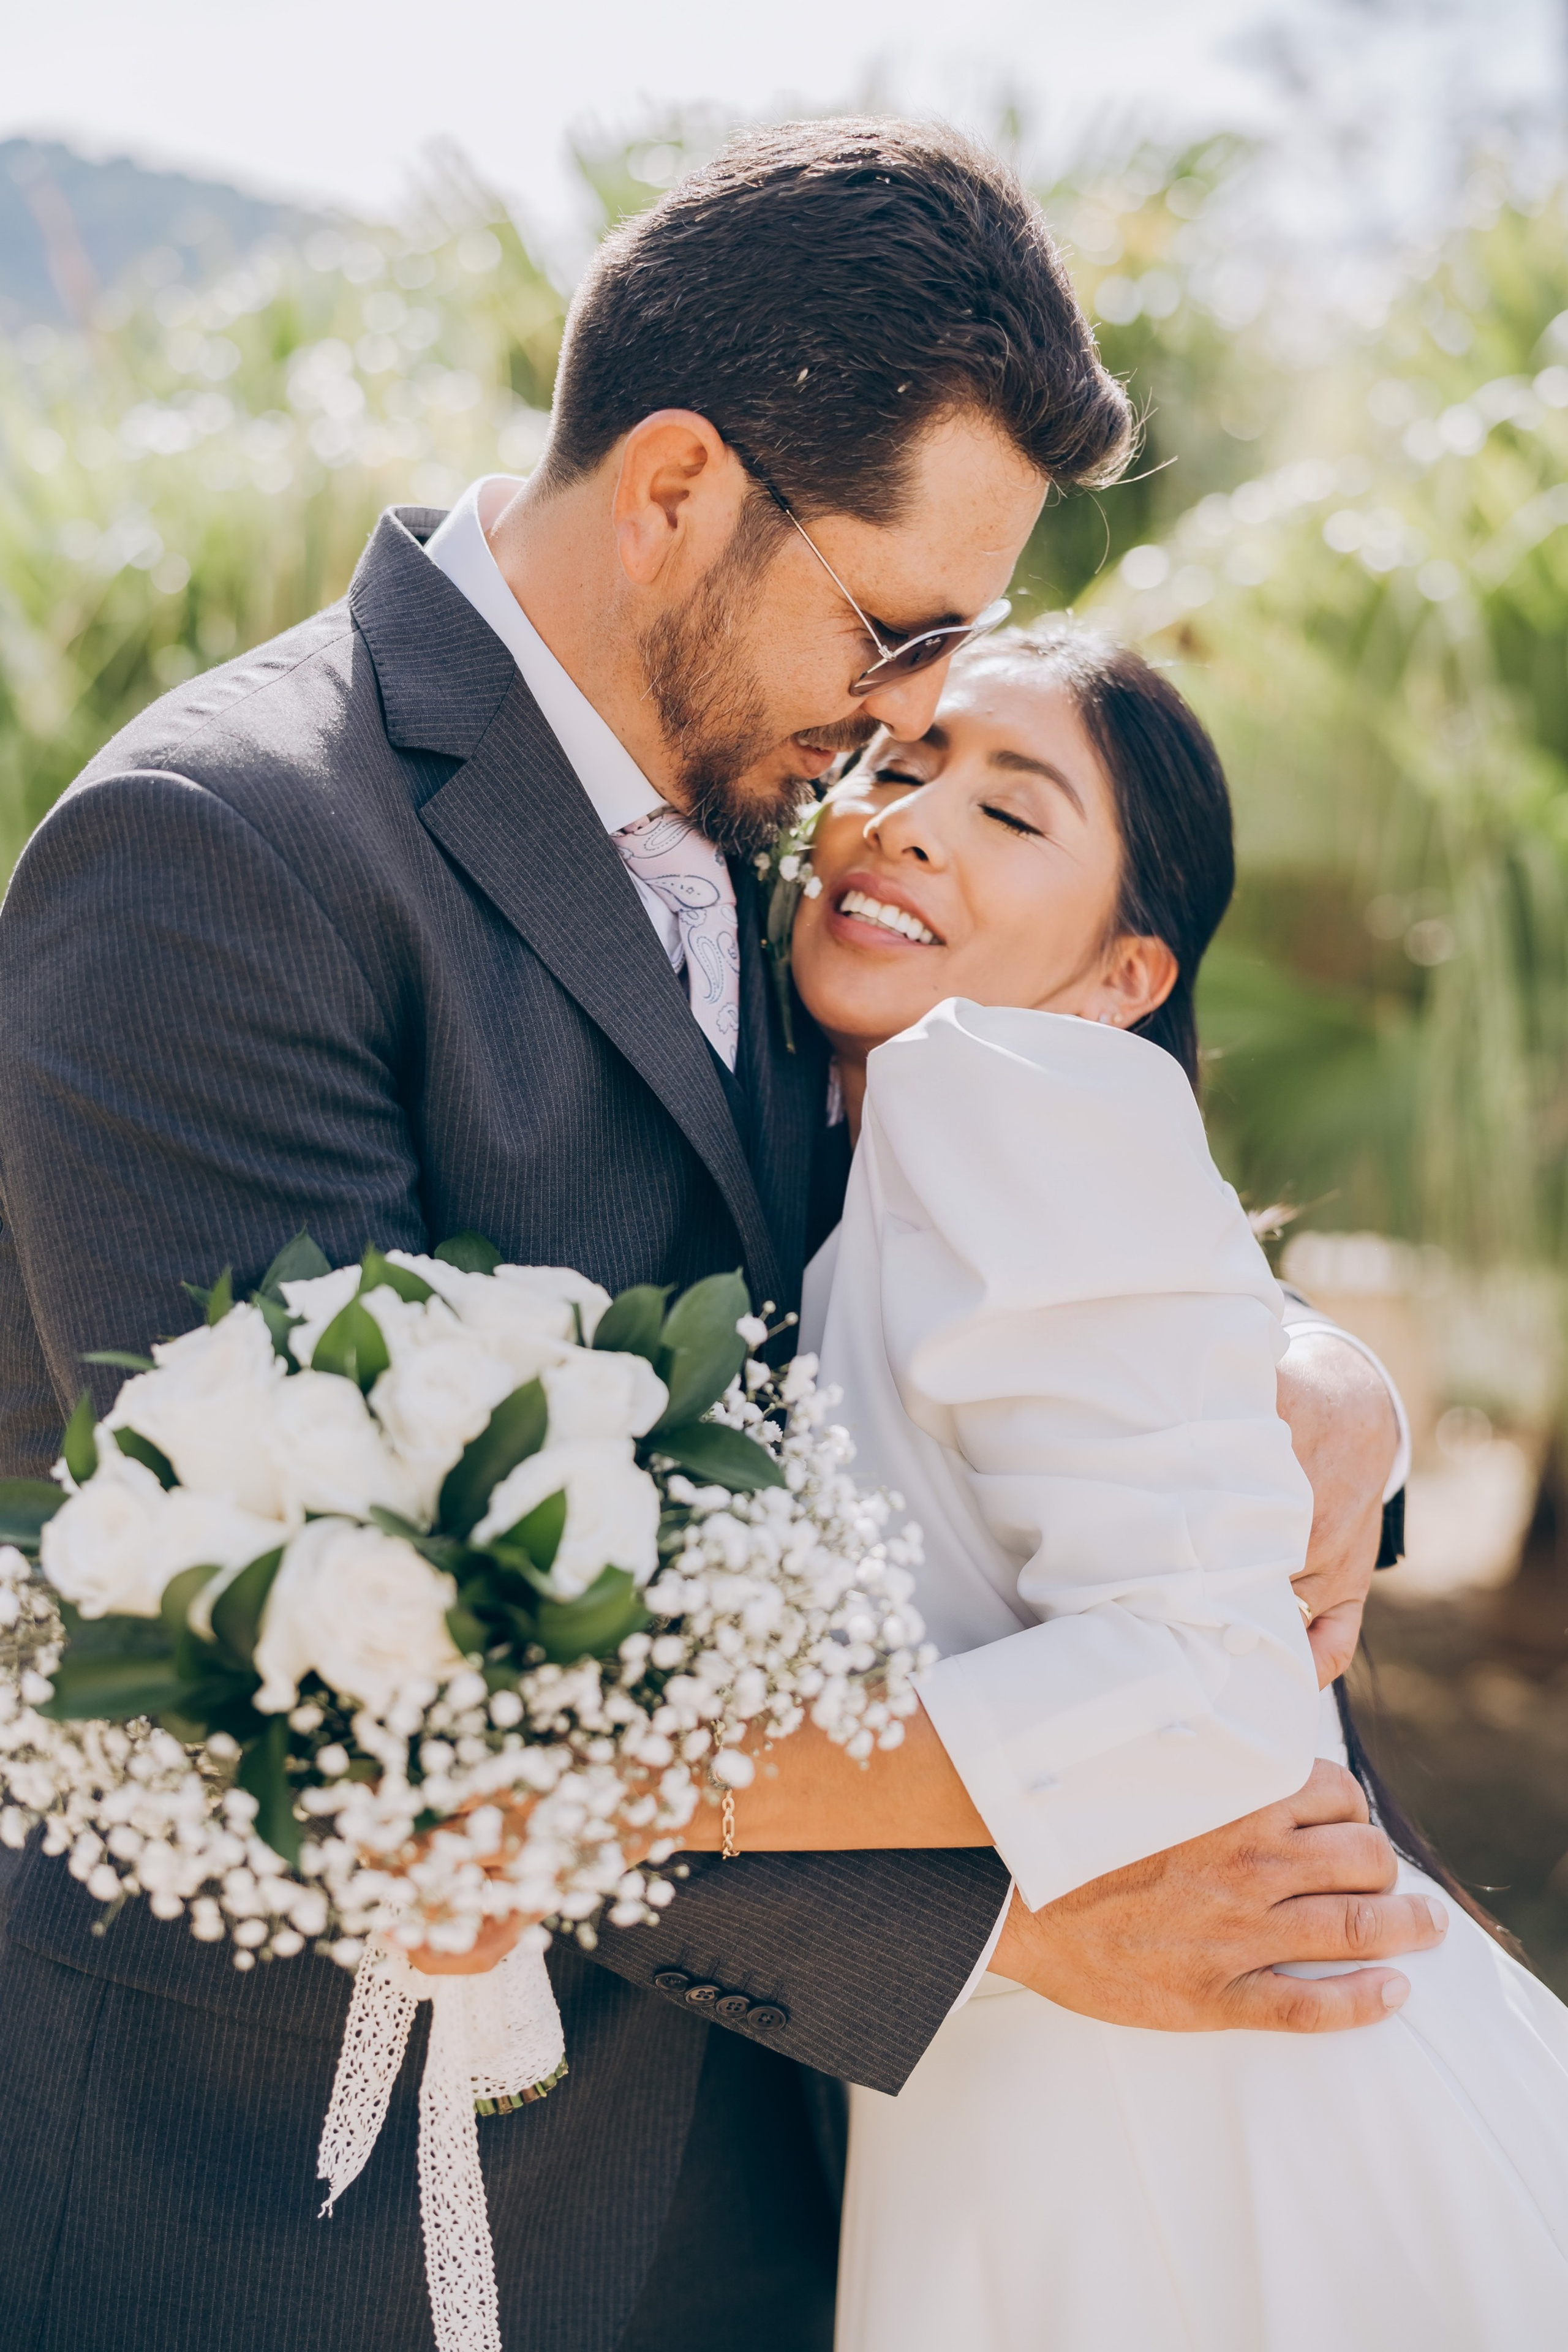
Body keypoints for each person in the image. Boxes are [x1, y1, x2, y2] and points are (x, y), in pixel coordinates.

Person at [0, 122, 1421, 2352]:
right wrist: (988, 1926)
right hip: (300, 2210)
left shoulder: (780, 828)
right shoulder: (226, 854)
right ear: (673, 488)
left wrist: (1316, 1376)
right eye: (900, 628)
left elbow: (977, 1253)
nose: (907, 721)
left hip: (735, 2213)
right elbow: (345, 1672)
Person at [679, 620, 1568, 2350]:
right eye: (899, 765)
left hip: (1201, 2089)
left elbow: (1208, 1682)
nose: (912, 823)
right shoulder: (882, 1140)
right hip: (1090, 2063)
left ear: (1122, 979)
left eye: (1015, 814)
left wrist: (657, 1790)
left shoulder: (981, 1088)